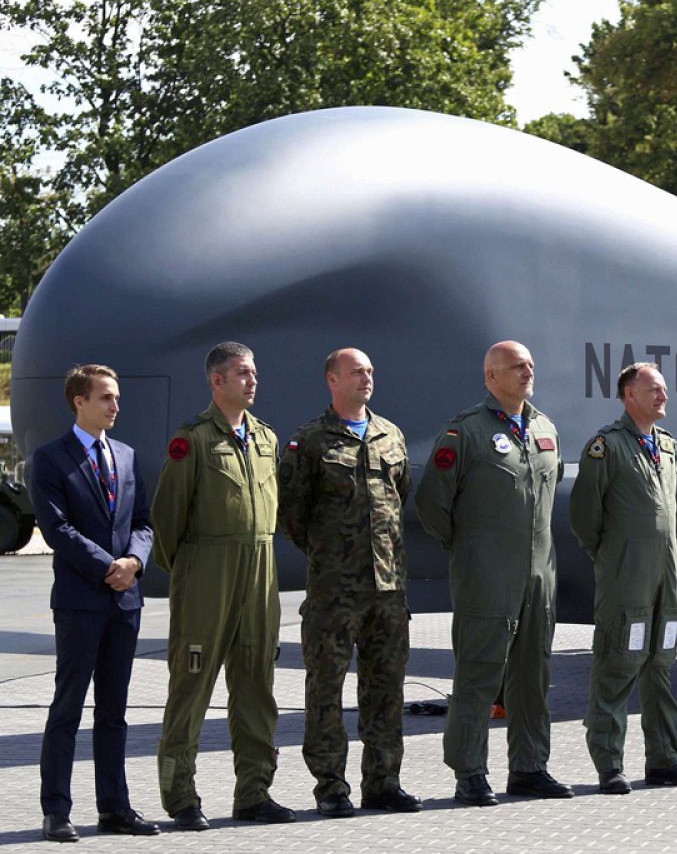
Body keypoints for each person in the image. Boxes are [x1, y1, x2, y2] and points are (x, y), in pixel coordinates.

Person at [416, 341, 571, 806]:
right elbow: (431, 503)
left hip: (539, 576)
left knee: (531, 678)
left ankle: (529, 767)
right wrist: (471, 547)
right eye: (515, 366)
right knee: (479, 677)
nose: (527, 372)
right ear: (490, 377)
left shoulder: (545, 427)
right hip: (486, 577)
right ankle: (470, 772)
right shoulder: (466, 432)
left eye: (529, 365)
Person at [153, 341, 291, 829]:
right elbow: (166, 521)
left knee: (256, 684)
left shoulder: (268, 440)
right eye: (242, 374)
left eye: (254, 373)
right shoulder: (192, 440)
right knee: (191, 685)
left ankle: (254, 793)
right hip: (207, 572)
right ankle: (181, 796)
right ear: (217, 381)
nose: (252, 381)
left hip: (260, 569)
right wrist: (193, 575)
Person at [278, 349, 419, 816]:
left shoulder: (390, 435)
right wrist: (332, 555)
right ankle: (331, 787)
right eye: (357, 371)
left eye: (371, 371)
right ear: (332, 380)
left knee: (386, 689)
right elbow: (291, 514)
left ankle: (383, 781)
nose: (367, 378)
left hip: (388, 589)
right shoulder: (310, 441)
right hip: (334, 592)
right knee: (325, 691)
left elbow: (400, 497)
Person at [32, 365, 158, 841]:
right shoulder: (50, 459)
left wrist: (134, 562)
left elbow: (143, 523)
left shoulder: (125, 456)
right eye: (105, 397)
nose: (115, 405)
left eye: (117, 397)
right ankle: (57, 810)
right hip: (81, 601)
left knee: (114, 711)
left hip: (124, 602)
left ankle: (115, 807)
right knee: (68, 706)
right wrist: (111, 565)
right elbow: (57, 528)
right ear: (79, 402)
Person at [570, 362, 677, 794]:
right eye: (655, 389)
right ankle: (609, 764)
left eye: (664, 389)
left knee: (661, 664)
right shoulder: (605, 447)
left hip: (665, 574)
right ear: (629, 395)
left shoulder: (666, 445)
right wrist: (614, 555)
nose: (664, 396)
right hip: (625, 573)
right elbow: (584, 517)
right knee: (617, 663)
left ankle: (666, 759)